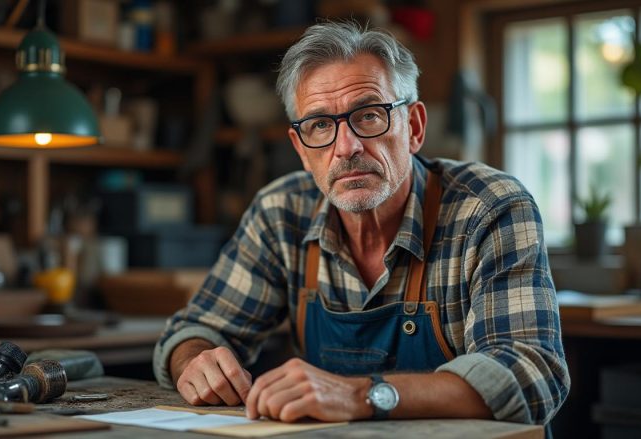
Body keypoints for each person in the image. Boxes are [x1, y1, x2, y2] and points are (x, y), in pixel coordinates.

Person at [153, 21, 569, 425]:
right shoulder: (282, 212)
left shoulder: (488, 207)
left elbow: (531, 374)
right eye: (319, 125)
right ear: (300, 148)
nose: (346, 147)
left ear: (415, 127)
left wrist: (360, 395)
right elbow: (196, 329)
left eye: (369, 115)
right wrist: (196, 359)